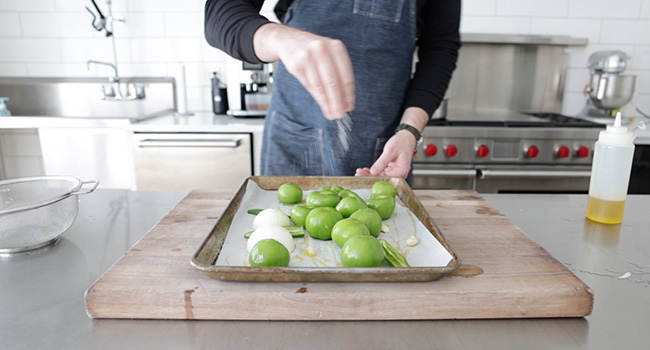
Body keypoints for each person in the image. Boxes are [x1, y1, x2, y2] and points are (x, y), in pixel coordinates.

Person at [205, 0, 460, 181]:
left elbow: (440, 48)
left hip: (381, 152)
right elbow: (220, 12)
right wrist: (277, 37)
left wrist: (409, 131)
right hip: (295, 141)